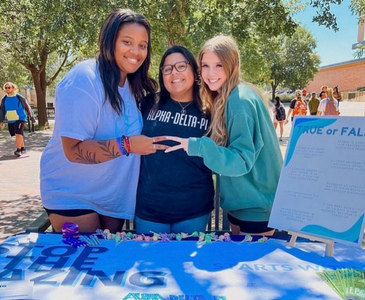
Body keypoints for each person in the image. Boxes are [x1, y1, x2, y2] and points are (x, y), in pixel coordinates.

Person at [40, 9, 168, 233]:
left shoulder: (132, 86)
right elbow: (73, 150)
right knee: (84, 261)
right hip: (72, 194)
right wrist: (128, 145)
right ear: (110, 42)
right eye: (127, 42)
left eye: (143, 45)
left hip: (113, 197)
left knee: (105, 264)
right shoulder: (85, 78)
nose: (136, 51)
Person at [165, 35, 283, 236]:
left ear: (232, 65)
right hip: (244, 204)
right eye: (205, 65)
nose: (210, 73)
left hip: (257, 208)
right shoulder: (229, 96)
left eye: (219, 65)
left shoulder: (240, 99)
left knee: (249, 266)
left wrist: (198, 146)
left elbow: (241, 160)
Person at [135, 45, 214, 234]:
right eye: (167, 68)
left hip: (193, 209)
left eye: (181, 66)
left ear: (195, 71)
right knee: (149, 263)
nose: (174, 73)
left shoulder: (211, 109)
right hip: (149, 209)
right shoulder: (147, 103)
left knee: (186, 263)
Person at [0, 82, 36, 157]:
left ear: (13, 88)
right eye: (6, 88)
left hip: (20, 118)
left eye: (9, 87)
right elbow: (2, 110)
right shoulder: (4, 98)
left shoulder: (19, 97)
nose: (7, 89)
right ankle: (22, 148)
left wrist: (32, 118)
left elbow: (27, 107)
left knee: (18, 133)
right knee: (18, 134)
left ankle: (18, 150)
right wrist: (1, 120)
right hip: (11, 119)